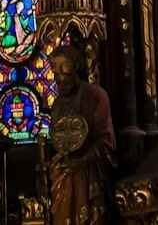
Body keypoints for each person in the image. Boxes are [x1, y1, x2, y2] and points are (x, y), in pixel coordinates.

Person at [46, 43, 114, 225]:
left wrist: (81, 161)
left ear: (75, 68)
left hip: (90, 170)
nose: (60, 78)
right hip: (64, 171)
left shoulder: (96, 95)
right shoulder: (58, 104)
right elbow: (57, 140)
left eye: (65, 73)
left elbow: (106, 141)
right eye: (56, 74)